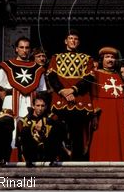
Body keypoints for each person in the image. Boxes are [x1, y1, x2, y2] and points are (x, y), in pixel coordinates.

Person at [0, 36, 47, 161]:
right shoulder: (7, 66)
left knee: (29, 130)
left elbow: (41, 91)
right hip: (11, 101)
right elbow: (0, 89)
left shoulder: (37, 69)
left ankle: (28, 160)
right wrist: (9, 102)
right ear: (16, 49)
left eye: (27, 48)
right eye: (21, 47)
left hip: (30, 101)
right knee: (10, 131)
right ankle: (9, 160)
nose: (24, 50)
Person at [47, 29, 94, 161]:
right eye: (70, 38)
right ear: (65, 41)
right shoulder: (56, 57)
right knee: (57, 130)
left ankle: (77, 161)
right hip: (61, 98)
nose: (73, 41)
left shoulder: (86, 58)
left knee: (78, 132)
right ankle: (57, 159)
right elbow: (52, 76)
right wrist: (62, 91)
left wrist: (73, 89)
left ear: (78, 42)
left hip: (79, 99)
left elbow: (89, 78)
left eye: (76, 39)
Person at [85, 47, 124, 161]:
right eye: (107, 57)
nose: (110, 60)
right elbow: (92, 94)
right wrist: (94, 112)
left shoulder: (119, 76)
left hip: (118, 113)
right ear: (102, 59)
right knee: (101, 138)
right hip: (102, 113)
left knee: (118, 138)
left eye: (112, 57)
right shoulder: (96, 74)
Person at [17, 92, 65, 166]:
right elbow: (19, 142)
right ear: (33, 106)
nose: (40, 108)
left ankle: (53, 159)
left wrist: (46, 123)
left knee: (56, 128)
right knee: (25, 130)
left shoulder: (52, 117)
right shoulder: (24, 121)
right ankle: (28, 160)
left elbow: (62, 129)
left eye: (42, 106)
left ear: (46, 107)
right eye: (38, 105)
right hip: (32, 152)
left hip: (47, 150)